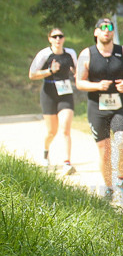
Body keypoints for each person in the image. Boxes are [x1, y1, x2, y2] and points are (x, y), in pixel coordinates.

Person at [76, 18, 123, 200]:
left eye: (110, 27)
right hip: (97, 108)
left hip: (118, 107)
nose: (107, 30)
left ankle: (121, 180)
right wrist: (96, 86)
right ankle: (108, 187)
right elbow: (79, 82)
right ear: (96, 32)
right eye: (102, 28)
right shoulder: (86, 55)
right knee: (105, 152)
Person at [29, 28, 78, 175]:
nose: (58, 39)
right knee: (52, 131)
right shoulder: (44, 54)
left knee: (65, 127)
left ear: (64, 38)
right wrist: (50, 71)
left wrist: (76, 73)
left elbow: (77, 71)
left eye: (60, 36)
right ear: (49, 39)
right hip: (49, 94)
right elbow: (32, 74)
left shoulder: (71, 53)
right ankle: (45, 152)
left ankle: (67, 163)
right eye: (54, 36)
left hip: (65, 93)